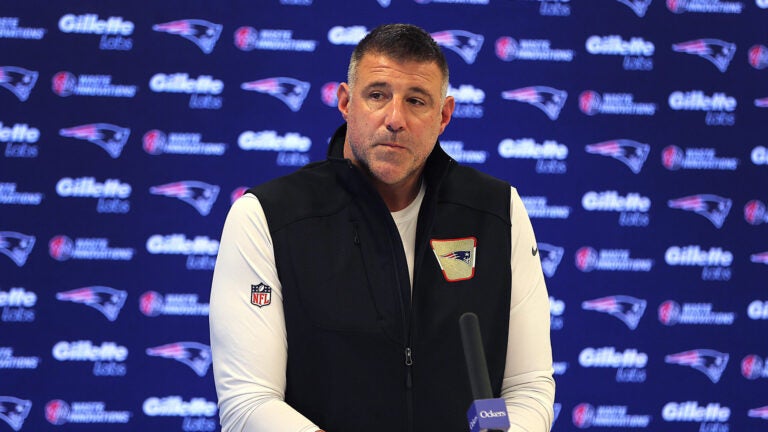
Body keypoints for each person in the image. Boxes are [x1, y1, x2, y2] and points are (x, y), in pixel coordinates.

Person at [209, 23, 555, 432]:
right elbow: (248, 403)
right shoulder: (266, 216)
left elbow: (527, 385)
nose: (395, 119)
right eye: (377, 95)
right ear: (345, 102)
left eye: (416, 101)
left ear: (444, 116)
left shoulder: (497, 211)